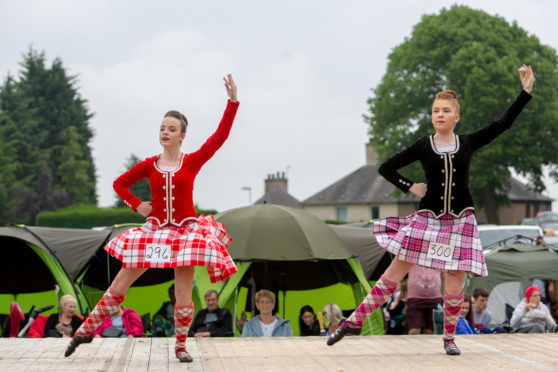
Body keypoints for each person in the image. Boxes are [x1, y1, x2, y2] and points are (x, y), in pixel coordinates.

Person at [327, 65, 534, 356]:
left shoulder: (468, 142)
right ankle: (354, 321)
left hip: (461, 221)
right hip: (428, 221)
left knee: (454, 284)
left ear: (456, 117)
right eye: (436, 110)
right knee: (394, 271)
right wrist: (410, 186)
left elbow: (502, 124)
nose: (439, 114)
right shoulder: (424, 145)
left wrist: (525, 93)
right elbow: (386, 167)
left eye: (446, 110)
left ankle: (449, 339)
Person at [63, 75, 240, 363]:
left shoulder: (192, 162)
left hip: (184, 234)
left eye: (172, 129)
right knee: (120, 283)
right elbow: (120, 184)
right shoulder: (150, 165)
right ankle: (85, 330)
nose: (165, 132)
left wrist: (232, 102)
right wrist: (136, 205)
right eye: (162, 128)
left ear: (183, 135)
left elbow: (219, 137)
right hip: (155, 232)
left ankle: (181, 346)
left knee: (184, 294)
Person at [406, 266, 442, 335]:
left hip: (435, 298)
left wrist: (447, 295)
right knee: (414, 330)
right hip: (414, 298)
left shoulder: (440, 256)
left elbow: (445, 276)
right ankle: (412, 345)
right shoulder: (412, 255)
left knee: (430, 331)